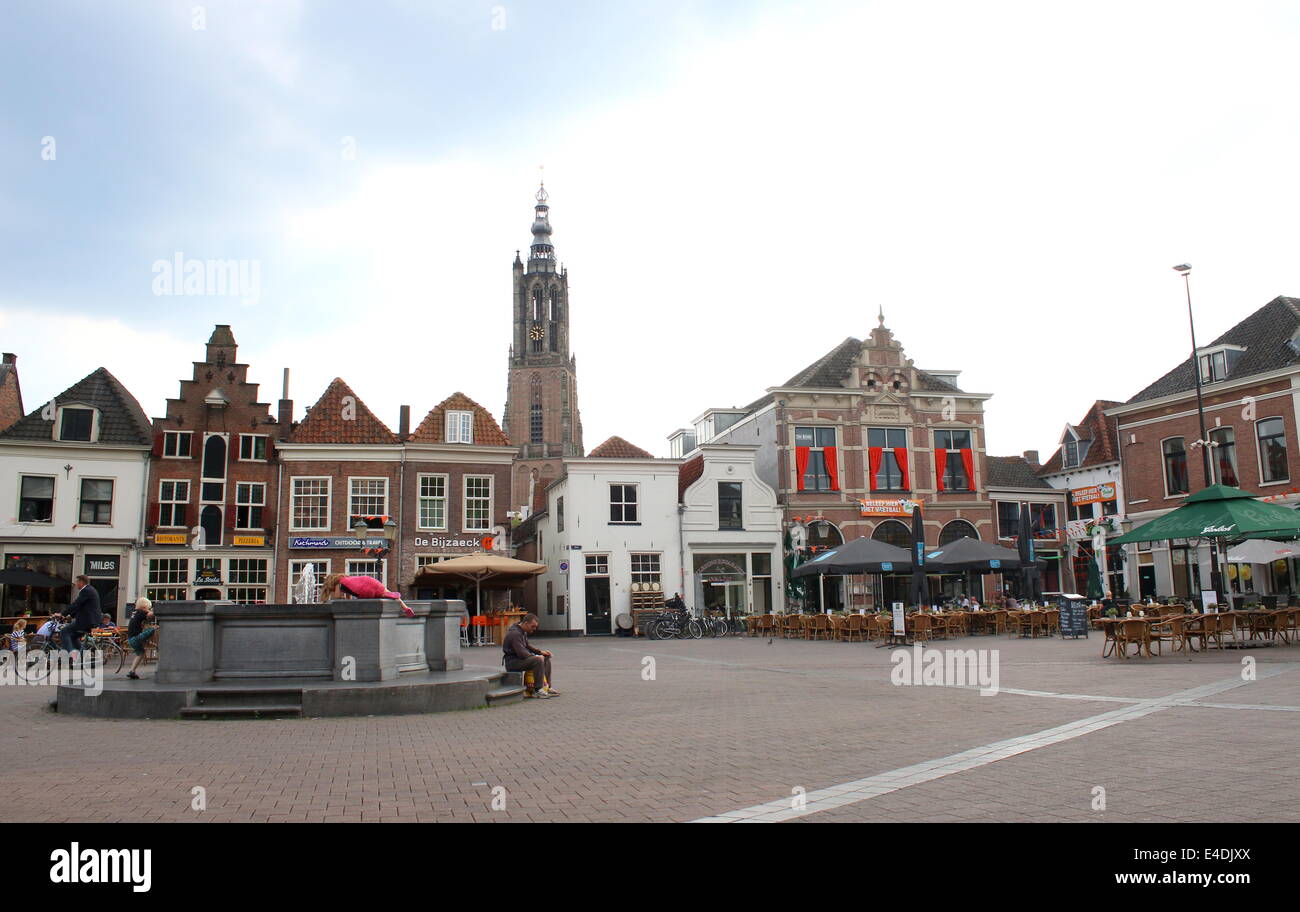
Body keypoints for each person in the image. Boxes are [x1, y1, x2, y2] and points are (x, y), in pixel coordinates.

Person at [502, 613, 559, 698]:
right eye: (533, 626)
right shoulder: (515, 634)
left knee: (546, 658)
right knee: (538, 660)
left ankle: (547, 687)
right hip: (513, 662)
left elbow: (527, 646)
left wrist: (540, 652)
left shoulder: (522, 632)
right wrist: (536, 657)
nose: (534, 629)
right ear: (526, 623)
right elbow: (521, 653)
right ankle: (538, 690)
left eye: (535, 627)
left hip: (519, 659)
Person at [319, 573, 415, 617]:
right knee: (388, 594)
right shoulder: (348, 580)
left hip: (364, 590)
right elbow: (348, 597)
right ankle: (406, 608)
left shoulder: (339, 582)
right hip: (370, 581)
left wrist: (341, 597)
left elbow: (337, 597)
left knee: (366, 603)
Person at [64, 575, 101, 659]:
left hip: (86, 621)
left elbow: (76, 604)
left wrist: (62, 614)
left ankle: (71, 656)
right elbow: (80, 607)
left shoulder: (86, 591)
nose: (76, 584)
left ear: (81, 582)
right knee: (73, 636)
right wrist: (70, 616)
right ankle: (84, 657)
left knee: (64, 632)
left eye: (77, 582)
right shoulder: (90, 589)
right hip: (90, 621)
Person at [125, 597, 157, 680]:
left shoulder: (135, 612)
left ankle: (132, 671)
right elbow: (151, 615)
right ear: (144, 607)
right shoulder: (141, 612)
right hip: (136, 638)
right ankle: (155, 641)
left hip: (131, 639)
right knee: (152, 630)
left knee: (140, 654)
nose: (148, 609)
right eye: (148, 608)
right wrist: (155, 610)